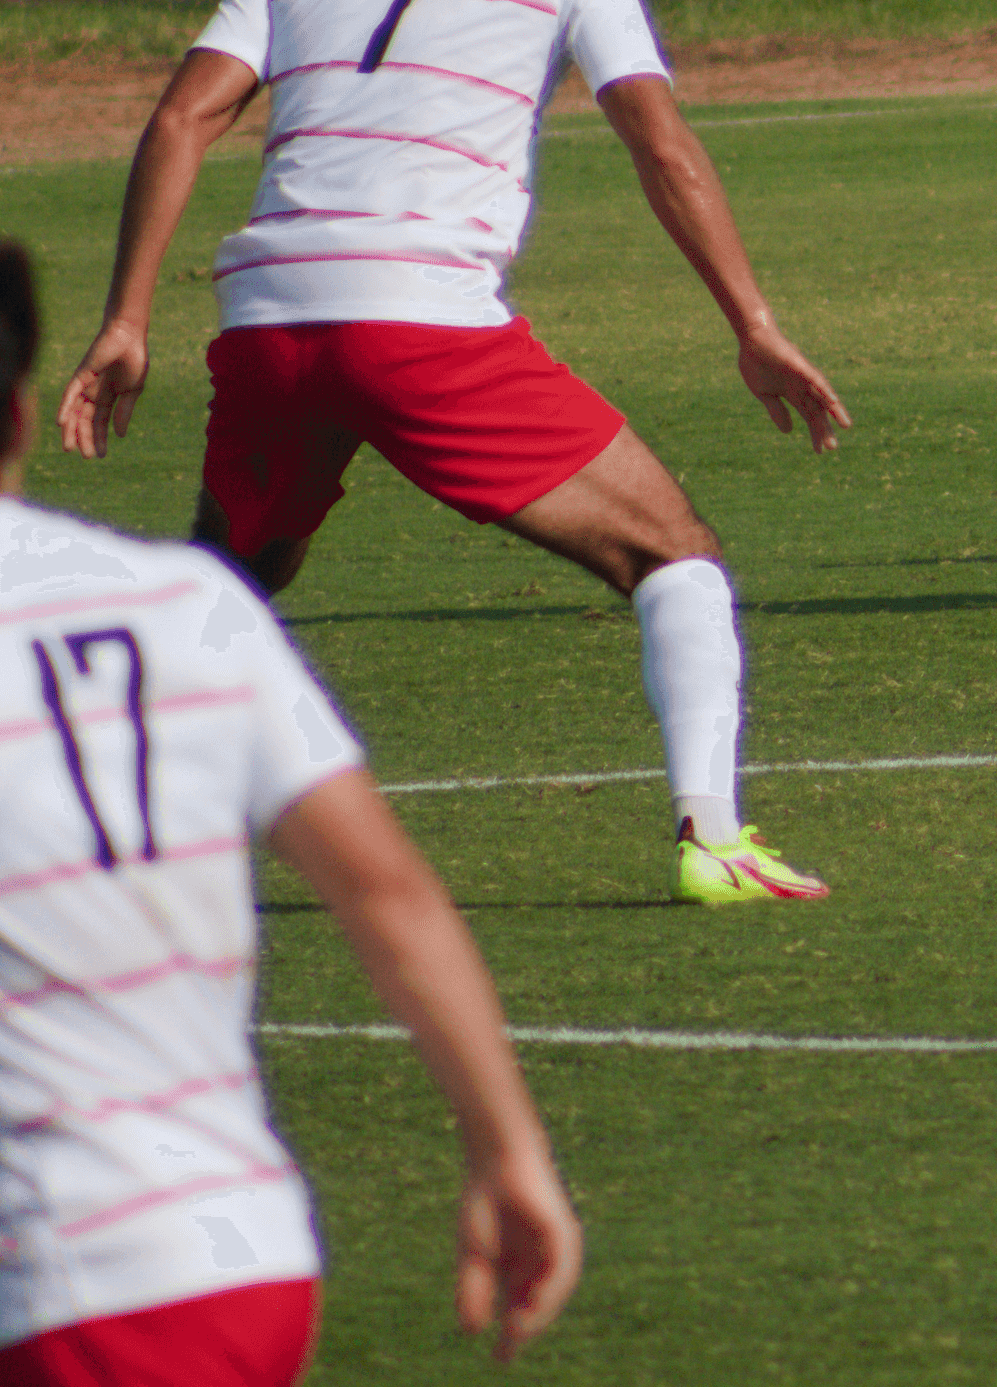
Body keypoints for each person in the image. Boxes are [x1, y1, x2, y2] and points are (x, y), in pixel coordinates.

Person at [56, 0, 847, 909]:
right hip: (421, 326)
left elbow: (180, 119)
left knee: (228, 586)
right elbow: (664, 148)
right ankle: (716, 836)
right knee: (676, 558)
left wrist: (124, 320)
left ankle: (82, 825)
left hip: (268, 321)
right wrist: (752, 325)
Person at [1, 239, 584, 1383]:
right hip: (237, 1253)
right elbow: (388, 892)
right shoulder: (189, 602)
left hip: (53, 1282)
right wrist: (509, 1150)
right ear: (20, 413)